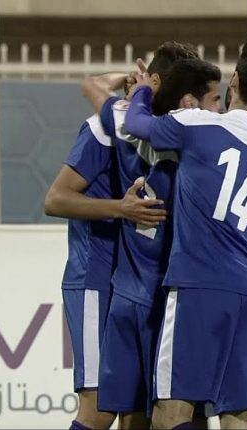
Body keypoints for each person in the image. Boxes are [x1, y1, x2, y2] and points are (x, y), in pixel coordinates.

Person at [124, 36, 247, 430]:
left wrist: (143, 91)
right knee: (237, 416)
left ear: (234, 81)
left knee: (171, 413)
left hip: (198, 283)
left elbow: (136, 124)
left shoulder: (196, 124)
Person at [81, 52, 222, 429]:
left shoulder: (126, 126)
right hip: (172, 299)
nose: (221, 109)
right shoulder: (201, 145)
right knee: (184, 411)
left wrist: (142, 85)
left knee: (124, 414)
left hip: (128, 292)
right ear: (189, 102)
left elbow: (92, 85)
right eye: (215, 100)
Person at [44, 95, 169, 429]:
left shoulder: (163, 135)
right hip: (95, 278)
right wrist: (121, 209)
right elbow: (55, 200)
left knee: (136, 409)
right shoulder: (102, 129)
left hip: (135, 284)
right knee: (98, 407)